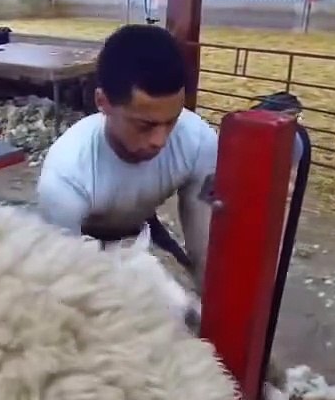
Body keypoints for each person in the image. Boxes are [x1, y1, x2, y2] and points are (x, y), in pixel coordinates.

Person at [35, 24, 219, 290]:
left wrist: (207, 297)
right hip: (83, 243)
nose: (160, 140)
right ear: (103, 103)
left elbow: (205, 249)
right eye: (145, 125)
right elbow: (64, 282)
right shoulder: (66, 175)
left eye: (172, 121)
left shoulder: (199, 140)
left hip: (141, 230)